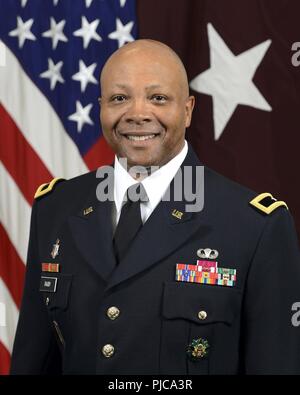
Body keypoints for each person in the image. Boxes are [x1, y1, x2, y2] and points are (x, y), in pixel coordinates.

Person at [10, 39, 300, 375]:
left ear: (188, 110)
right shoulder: (55, 209)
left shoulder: (255, 226)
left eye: (157, 98)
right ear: (101, 107)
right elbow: (34, 361)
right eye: (120, 98)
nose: (137, 113)